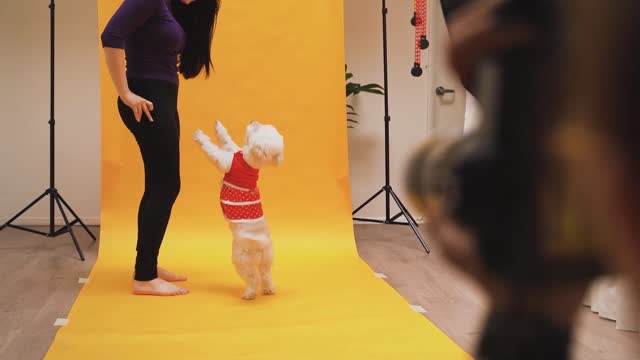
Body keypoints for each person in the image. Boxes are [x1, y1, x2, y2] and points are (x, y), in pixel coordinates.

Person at [100, 0, 221, 296]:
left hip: (163, 97)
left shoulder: (169, 5)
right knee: (166, 185)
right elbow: (111, 35)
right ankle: (144, 277)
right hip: (147, 98)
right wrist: (126, 93)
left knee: (159, 184)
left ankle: (148, 266)